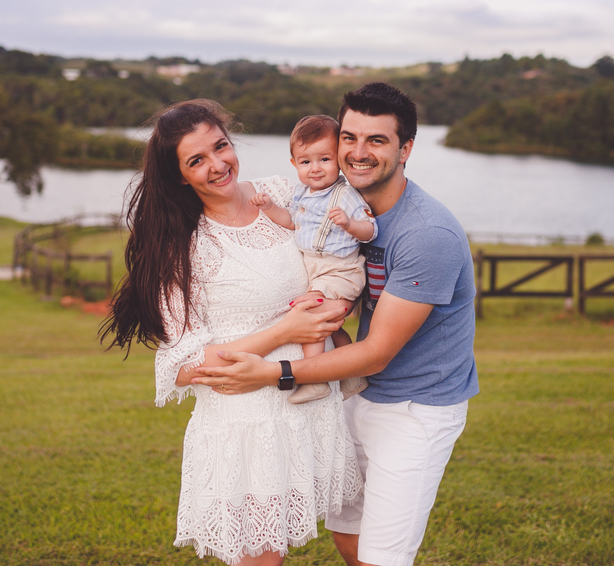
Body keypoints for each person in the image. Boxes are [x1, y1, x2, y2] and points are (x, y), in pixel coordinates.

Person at [193, 83, 479, 566]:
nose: (358, 153)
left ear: (406, 148)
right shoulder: (337, 200)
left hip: (415, 407)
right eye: (349, 138)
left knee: (382, 556)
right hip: (355, 393)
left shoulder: (426, 233)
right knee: (347, 535)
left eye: (377, 141)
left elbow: (378, 351)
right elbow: (258, 197)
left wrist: (275, 373)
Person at [100, 99, 360, 566]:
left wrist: (340, 303)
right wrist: (286, 329)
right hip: (247, 425)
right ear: (180, 175)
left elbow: (341, 248)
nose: (218, 164)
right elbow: (183, 366)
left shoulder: (282, 192)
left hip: (308, 403)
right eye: (196, 160)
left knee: (356, 538)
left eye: (221, 146)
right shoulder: (185, 247)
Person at [250, 114, 375, 404]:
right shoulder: (301, 195)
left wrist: (348, 224)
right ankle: (354, 375)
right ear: (294, 164)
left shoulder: (345, 195)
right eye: (306, 162)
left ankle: (314, 379)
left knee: (311, 319)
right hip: (316, 271)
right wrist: (269, 207)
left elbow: (370, 230)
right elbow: (292, 222)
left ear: (339, 160)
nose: (315, 169)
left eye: (324, 160)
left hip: (340, 270)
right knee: (332, 325)